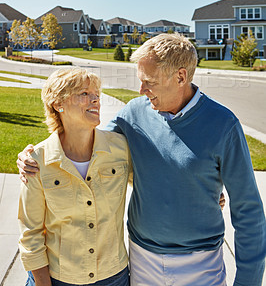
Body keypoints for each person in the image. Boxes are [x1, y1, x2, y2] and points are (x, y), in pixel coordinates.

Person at [18, 33, 265, 285]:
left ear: (180, 77)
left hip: (201, 264)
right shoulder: (133, 114)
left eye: (149, 82)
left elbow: (249, 211)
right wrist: (34, 155)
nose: (141, 90)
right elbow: (86, 142)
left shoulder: (223, 124)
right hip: (141, 261)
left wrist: (248, 280)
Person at [18, 67, 132, 286]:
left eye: (96, 94)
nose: (95, 100)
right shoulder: (37, 161)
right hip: (57, 279)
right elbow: (30, 234)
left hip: (113, 278)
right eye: (84, 94)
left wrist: (205, 195)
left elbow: (156, 182)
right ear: (58, 104)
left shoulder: (121, 149)